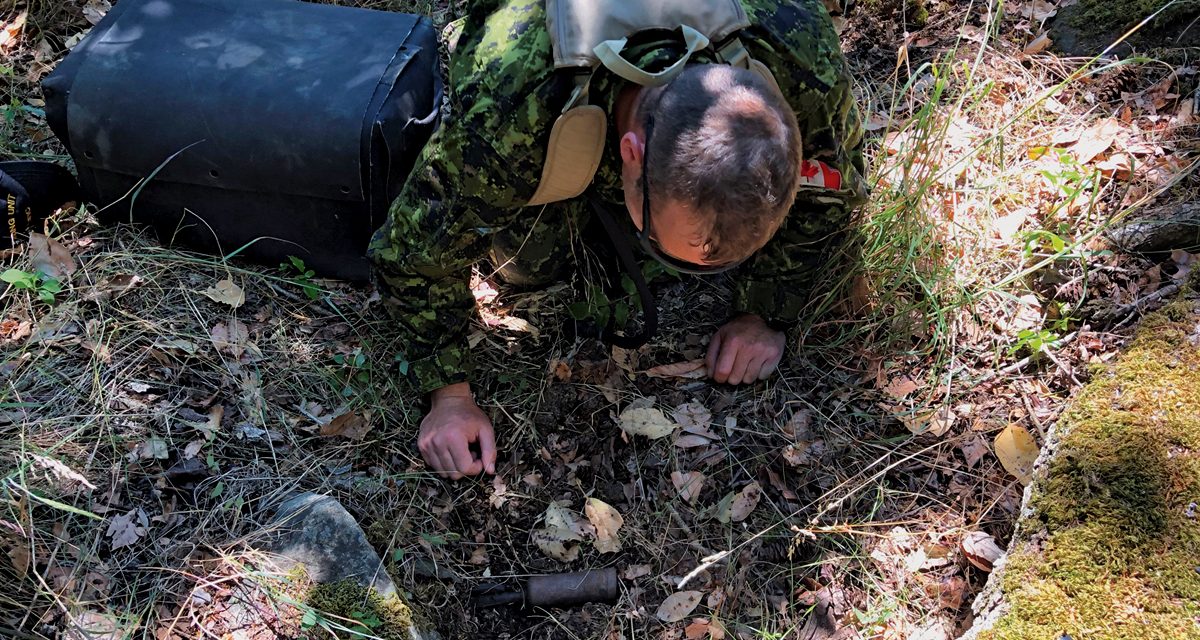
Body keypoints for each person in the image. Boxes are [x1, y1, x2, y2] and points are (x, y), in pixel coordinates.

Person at [368, 0, 867, 480]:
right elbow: (414, 251)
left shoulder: (800, 59)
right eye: (658, 236)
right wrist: (449, 395)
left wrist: (764, 311)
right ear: (630, 153)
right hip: (546, 73)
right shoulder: (512, 110)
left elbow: (832, 191)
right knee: (527, 264)